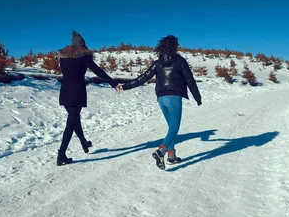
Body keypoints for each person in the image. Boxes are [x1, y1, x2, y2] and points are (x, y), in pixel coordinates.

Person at [122, 35, 202, 170]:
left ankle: (171, 156)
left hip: (161, 99)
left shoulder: (157, 63)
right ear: (174, 46)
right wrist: (197, 97)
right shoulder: (180, 61)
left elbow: (143, 78)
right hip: (173, 98)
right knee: (174, 129)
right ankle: (161, 152)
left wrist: (125, 86)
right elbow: (189, 80)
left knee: (171, 128)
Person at [56, 30, 122, 166]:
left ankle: (84, 142)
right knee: (71, 122)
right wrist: (113, 83)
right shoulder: (84, 57)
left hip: (64, 91)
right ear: (82, 46)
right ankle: (61, 154)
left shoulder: (63, 57)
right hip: (77, 92)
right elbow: (98, 71)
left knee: (74, 119)